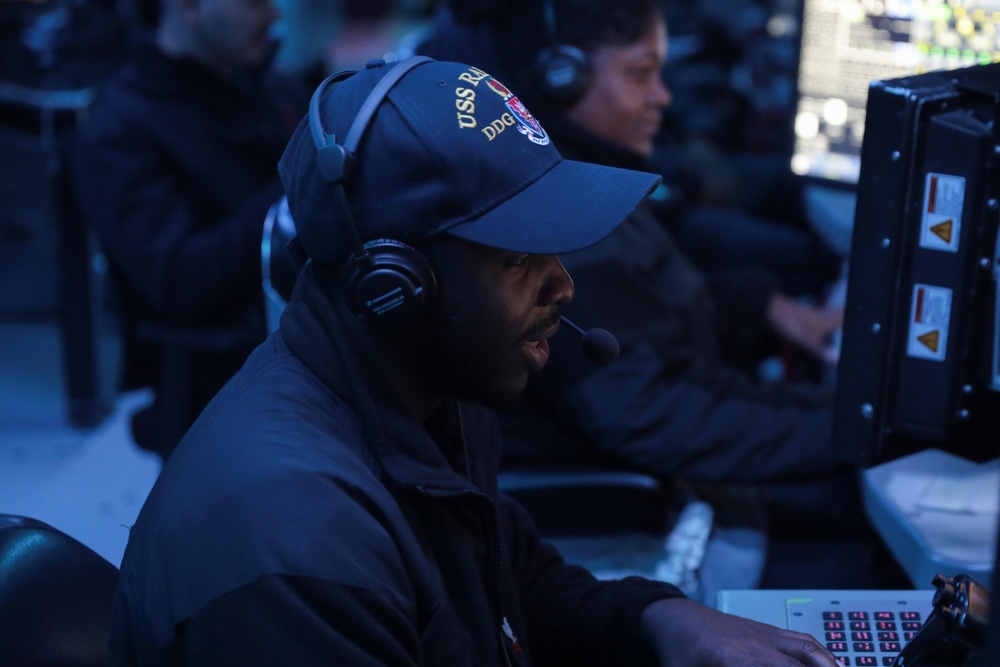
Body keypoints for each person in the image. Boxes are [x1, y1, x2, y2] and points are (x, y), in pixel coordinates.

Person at [106, 56, 840, 666]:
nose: (564, 283)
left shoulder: (428, 395)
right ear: (393, 284)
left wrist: (656, 616)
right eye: (518, 258)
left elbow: (507, 585)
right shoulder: (294, 544)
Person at [414, 0, 906, 589]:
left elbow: (652, 320)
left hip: (668, 471)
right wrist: (875, 424)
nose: (663, 96)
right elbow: (659, 416)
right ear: (559, 77)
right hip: (641, 505)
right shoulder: (563, 226)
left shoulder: (582, 179)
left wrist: (775, 322)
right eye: (640, 73)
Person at [70, 0, 305, 459]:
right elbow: (180, 280)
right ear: (189, 7)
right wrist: (297, 179)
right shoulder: (120, 131)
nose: (274, 16)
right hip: (228, 379)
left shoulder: (263, 85)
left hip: (302, 334)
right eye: (254, 4)